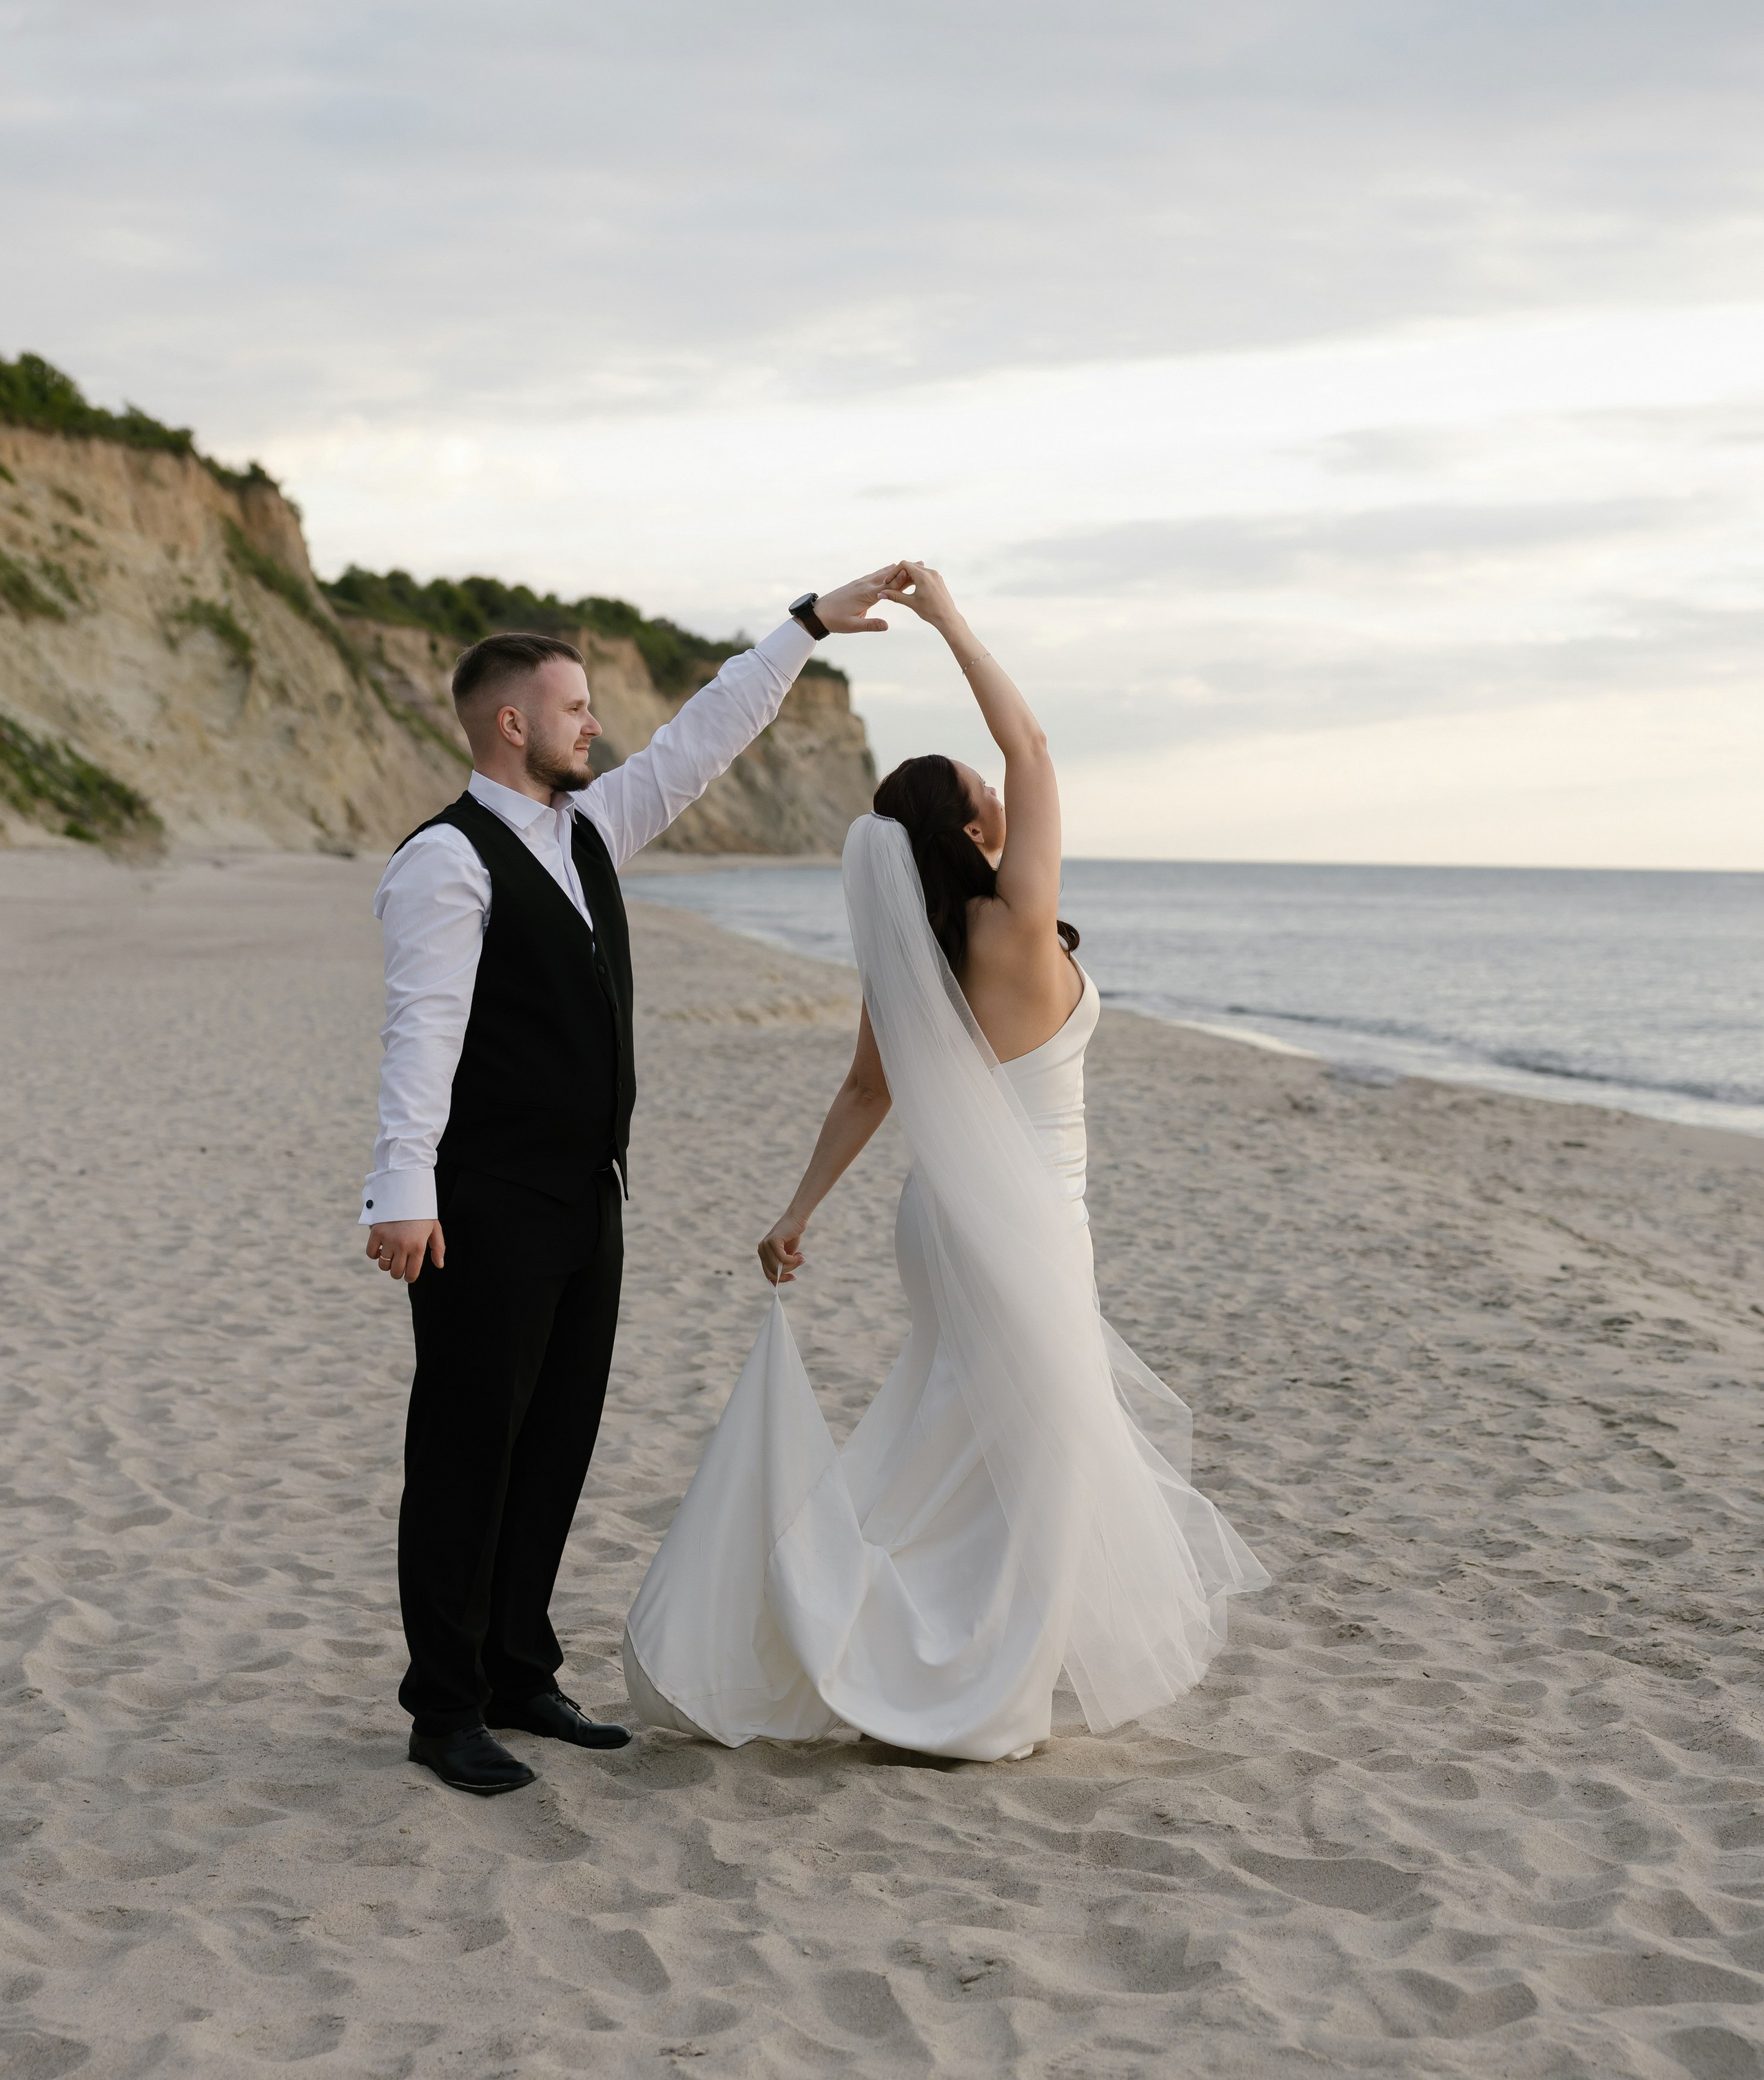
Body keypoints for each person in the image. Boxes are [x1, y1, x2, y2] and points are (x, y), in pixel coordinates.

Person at [622, 564, 1269, 1762]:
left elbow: (869, 1089)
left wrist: (799, 1207)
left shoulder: (917, 956)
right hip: (1024, 1225)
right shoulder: (1013, 922)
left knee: (955, 1435)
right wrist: (949, 619)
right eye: (987, 792)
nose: (1007, 792)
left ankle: (906, 1628)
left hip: (940, 1222)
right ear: (974, 828)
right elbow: (1031, 738)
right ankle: (969, 1690)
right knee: (1038, 1455)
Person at [361, 569, 902, 1796]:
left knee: (555, 1441)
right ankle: (444, 1706)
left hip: (587, 1195)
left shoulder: (589, 830)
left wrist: (806, 626)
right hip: (480, 1201)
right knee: (466, 1449)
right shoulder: (445, 863)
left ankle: (516, 1668)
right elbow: (421, 1030)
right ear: (513, 722)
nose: (592, 725)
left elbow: (704, 736)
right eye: (574, 708)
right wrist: (402, 1190)